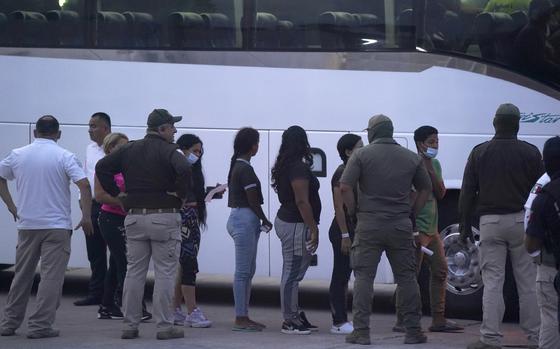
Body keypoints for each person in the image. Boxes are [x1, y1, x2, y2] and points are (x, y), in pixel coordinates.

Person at [96, 109, 190, 340]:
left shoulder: (129, 148)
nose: (175, 131)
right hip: (164, 216)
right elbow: (186, 169)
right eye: (172, 126)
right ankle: (164, 327)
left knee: (134, 272)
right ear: (162, 129)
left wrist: (119, 195)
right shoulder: (170, 151)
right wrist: (180, 194)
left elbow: (102, 168)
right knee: (165, 273)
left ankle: (130, 325)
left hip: (134, 217)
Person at [340, 114, 431, 345]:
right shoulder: (411, 157)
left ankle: (361, 332)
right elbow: (425, 189)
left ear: (373, 132)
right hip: (400, 224)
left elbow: (345, 187)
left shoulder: (361, 155)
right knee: (408, 278)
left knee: (364, 278)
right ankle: (413, 331)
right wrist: (411, 212)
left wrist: (354, 212)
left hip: (369, 223)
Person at [0, 115, 93, 339]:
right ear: (58, 134)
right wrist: (86, 216)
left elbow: (1, 177)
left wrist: (12, 206)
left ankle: (9, 324)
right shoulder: (65, 156)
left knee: (21, 275)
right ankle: (40, 325)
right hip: (57, 226)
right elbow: (84, 183)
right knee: (51, 277)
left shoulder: (18, 154)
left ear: (35, 133)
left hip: (27, 224)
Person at [459, 103, 543, 349]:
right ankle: (536, 337)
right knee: (527, 282)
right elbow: (540, 191)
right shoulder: (530, 152)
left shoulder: (480, 152)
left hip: (490, 223)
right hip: (521, 222)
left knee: (493, 281)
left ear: (495, 123)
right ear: (517, 124)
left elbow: (467, 193)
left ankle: (490, 338)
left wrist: (464, 225)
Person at [394, 126, 463, 333]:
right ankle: (401, 320)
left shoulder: (435, 164)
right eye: (431, 142)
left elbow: (441, 193)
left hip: (432, 230)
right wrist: (412, 228)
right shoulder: (409, 165)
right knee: (410, 275)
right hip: (417, 229)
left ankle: (438, 319)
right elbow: (408, 198)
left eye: (437, 141)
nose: (435, 145)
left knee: (441, 271)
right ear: (419, 144)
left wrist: (430, 168)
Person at [271, 125, 321, 335]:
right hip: (295, 225)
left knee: (295, 272)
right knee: (292, 273)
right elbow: (302, 201)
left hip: (291, 222)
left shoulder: (286, 165)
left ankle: (295, 314)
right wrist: (313, 228)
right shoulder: (297, 168)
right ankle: (289, 320)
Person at [226, 127, 271, 332]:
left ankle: (243, 315)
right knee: (244, 272)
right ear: (252, 146)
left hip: (240, 218)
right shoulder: (245, 169)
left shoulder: (238, 165)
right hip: (245, 219)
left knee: (247, 271)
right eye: (257, 142)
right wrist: (265, 219)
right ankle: (241, 318)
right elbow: (253, 200)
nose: (258, 146)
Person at [172, 134, 213, 328]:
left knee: (182, 266)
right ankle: (192, 311)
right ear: (183, 149)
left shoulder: (193, 171)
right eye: (194, 151)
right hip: (185, 221)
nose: (197, 155)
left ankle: (174, 309)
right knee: (188, 264)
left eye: (200, 151)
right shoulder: (179, 169)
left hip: (191, 218)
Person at [525, 136, 560, 349]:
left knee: (550, 318)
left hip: (551, 266)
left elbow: (531, 245)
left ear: (545, 163)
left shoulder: (544, 197)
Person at [75, 112, 111, 306]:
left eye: (93, 126)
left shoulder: (116, 147)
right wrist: (83, 203)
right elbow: (86, 176)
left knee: (117, 251)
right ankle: (96, 292)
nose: (90, 130)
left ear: (105, 128)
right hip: (94, 204)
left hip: (112, 205)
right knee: (95, 251)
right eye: (89, 126)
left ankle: (116, 294)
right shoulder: (90, 149)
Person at [328, 134, 363, 335]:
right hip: (343, 230)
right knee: (341, 275)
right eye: (360, 147)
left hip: (353, 229)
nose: (364, 150)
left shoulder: (357, 170)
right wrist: (344, 235)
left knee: (350, 274)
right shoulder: (341, 172)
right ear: (348, 152)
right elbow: (339, 208)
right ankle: (338, 321)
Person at [94, 132, 129, 319]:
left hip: (127, 219)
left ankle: (107, 306)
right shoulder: (105, 168)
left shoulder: (127, 166)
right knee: (124, 261)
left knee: (116, 264)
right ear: (111, 148)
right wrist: (122, 201)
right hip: (111, 218)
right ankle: (132, 306)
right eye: (122, 146)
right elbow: (99, 196)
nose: (126, 149)